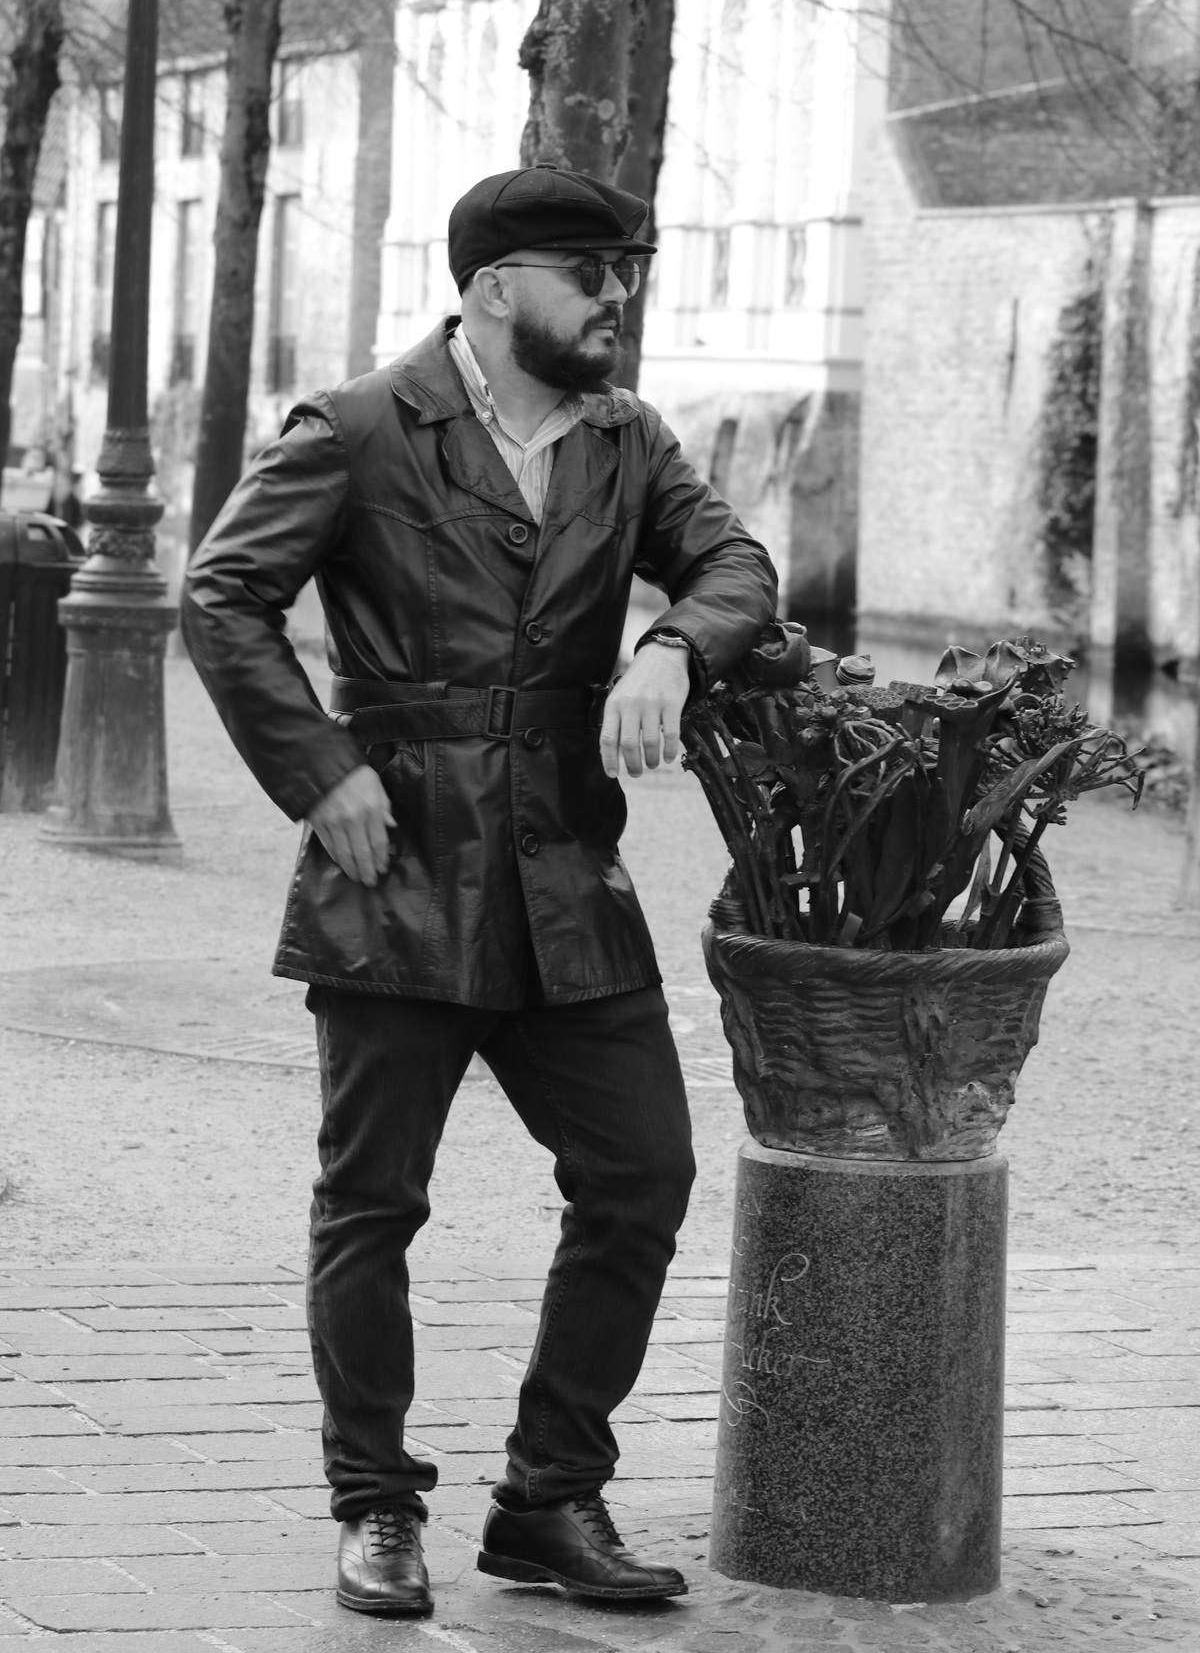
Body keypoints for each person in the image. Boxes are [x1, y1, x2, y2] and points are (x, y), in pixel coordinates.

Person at [182, 163, 777, 1619]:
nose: (619, 297)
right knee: (373, 1201)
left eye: (626, 272)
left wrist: (671, 648)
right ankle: (377, 1506)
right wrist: (320, 771)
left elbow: (734, 565)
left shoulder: (627, 440)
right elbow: (224, 595)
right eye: (594, 274)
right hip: (396, 869)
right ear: (500, 290)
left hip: (567, 875)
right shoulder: (359, 427)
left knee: (641, 1176)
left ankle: (549, 1499)